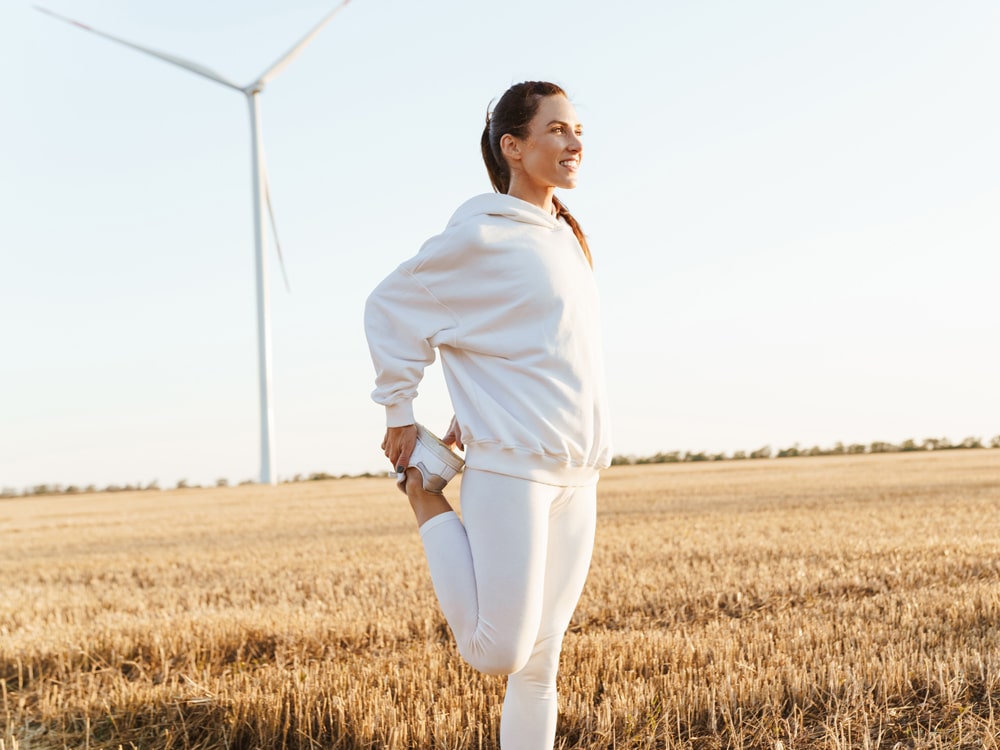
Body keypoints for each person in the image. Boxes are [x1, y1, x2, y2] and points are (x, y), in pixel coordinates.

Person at [364, 80, 612, 749]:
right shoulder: (482, 235)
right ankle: (424, 499)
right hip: (514, 473)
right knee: (497, 652)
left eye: (578, 129)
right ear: (514, 146)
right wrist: (399, 411)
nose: (575, 142)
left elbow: (530, 345)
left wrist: (466, 402)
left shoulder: (565, 238)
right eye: (557, 129)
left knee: (540, 665)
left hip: (578, 473)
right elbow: (391, 306)